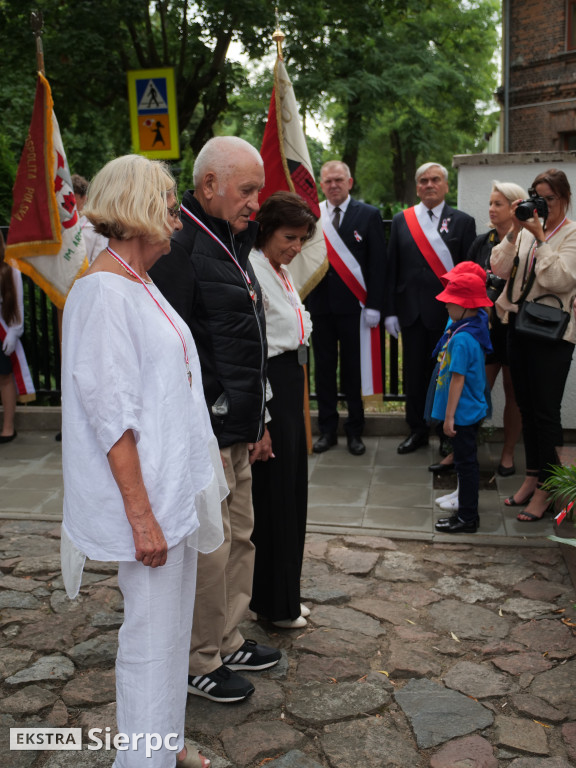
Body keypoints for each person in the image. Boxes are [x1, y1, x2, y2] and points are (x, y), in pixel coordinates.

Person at [61, 155, 224, 767]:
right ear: (138, 211)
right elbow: (112, 418)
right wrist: (141, 517)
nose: (178, 220)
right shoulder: (103, 293)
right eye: (169, 206)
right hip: (146, 500)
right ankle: (142, 759)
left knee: (170, 632)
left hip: (171, 488)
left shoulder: (140, 281)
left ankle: (164, 740)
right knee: (150, 640)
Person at [149, 136, 281, 705]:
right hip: (206, 427)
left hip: (239, 425)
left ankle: (227, 638)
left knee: (240, 538)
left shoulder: (228, 237)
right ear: (208, 187)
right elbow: (174, 345)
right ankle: (200, 659)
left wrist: (258, 419)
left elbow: (242, 336)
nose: (257, 202)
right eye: (247, 190)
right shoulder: (179, 247)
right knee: (212, 548)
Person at [491, 168, 576, 522]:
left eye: (548, 198)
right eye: (535, 196)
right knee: (526, 409)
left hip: (552, 337)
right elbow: (497, 267)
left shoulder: (571, 234)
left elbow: (557, 279)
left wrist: (541, 238)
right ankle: (531, 477)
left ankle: (547, 489)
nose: (541, 204)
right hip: (519, 328)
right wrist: (514, 232)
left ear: (564, 199)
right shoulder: (523, 230)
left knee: (546, 413)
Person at [249, 191, 316, 629]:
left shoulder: (279, 270)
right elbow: (255, 346)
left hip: (292, 382)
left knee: (292, 495)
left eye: (302, 239)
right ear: (267, 230)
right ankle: (274, 606)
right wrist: (264, 417)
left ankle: (285, 593)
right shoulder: (253, 269)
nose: (295, 247)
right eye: (289, 237)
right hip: (272, 384)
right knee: (273, 500)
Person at [434, 180, 527, 480]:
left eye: (498, 203)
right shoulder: (481, 242)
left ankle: (508, 453)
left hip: (515, 328)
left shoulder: (530, 241)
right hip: (482, 329)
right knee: (473, 389)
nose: (491, 209)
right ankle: (459, 450)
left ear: (515, 207)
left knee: (513, 393)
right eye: (490, 203)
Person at [385, 162, 476, 455]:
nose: (429, 185)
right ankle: (417, 430)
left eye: (435, 179)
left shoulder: (463, 221)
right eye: (423, 180)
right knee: (414, 376)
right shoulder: (402, 220)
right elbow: (392, 269)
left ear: (446, 185)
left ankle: (446, 433)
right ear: (417, 186)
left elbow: (468, 273)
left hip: (449, 317)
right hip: (411, 312)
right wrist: (389, 311)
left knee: (447, 374)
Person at [307, 160, 386, 457]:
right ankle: (327, 430)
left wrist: (376, 305)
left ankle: (355, 430)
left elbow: (379, 265)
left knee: (354, 370)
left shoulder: (369, 215)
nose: (333, 186)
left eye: (338, 180)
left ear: (350, 182)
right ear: (321, 184)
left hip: (355, 308)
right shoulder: (313, 215)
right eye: (327, 181)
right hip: (320, 307)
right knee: (324, 371)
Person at [432, 270, 493, 534]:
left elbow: (457, 380)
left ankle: (467, 518)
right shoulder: (475, 328)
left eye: (450, 300)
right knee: (466, 464)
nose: (446, 304)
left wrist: (449, 417)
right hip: (471, 409)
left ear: (465, 304)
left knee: (466, 466)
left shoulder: (461, 340)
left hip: (462, 414)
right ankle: (466, 513)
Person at [0, 230, 35, 442]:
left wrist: (14, 331)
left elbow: (18, 302)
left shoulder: (10, 265)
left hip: (3, 328)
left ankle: (8, 427)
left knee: (4, 377)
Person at [71, 174, 109, 265]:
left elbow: (97, 262)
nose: (70, 202)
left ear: (84, 198)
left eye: (73, 198)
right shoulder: (60, 223)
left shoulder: (96, 226)